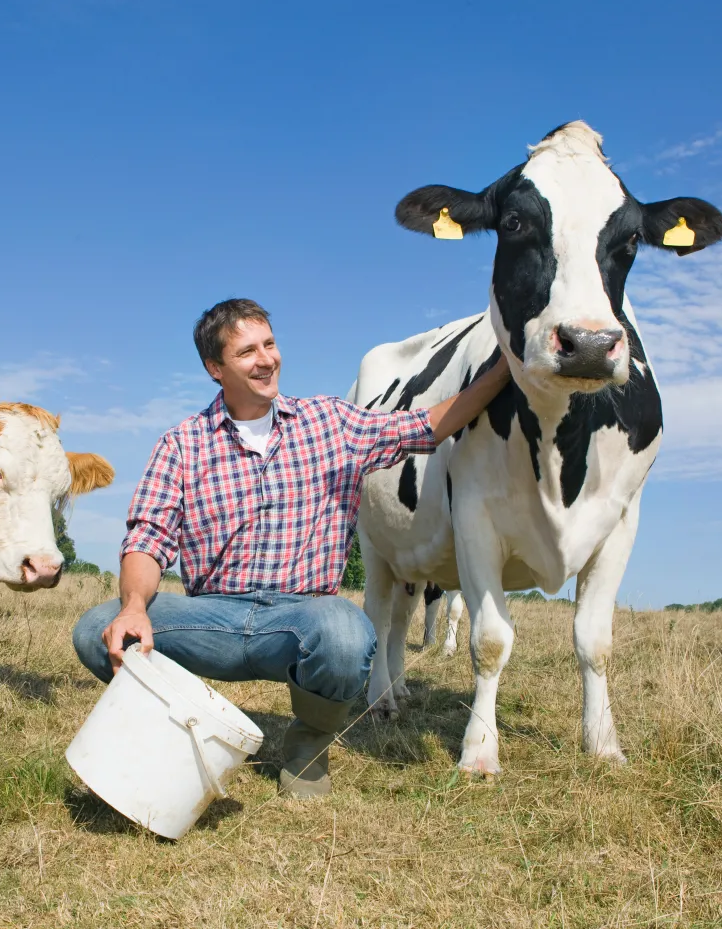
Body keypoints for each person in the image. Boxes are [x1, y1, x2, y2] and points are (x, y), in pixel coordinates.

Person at [73, 298, 510, 798]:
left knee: (346, 633)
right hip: (211, 618)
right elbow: (148, 539)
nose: (266, 359)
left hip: (300, 620)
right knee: (96, 630)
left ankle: (307, 749)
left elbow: (426, 425)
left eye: (270, 344)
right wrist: (133, 607)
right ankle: (182, 725)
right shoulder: (182, 443)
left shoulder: (329, 423)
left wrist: (504, 370)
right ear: (215, 369)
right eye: (246, 353)